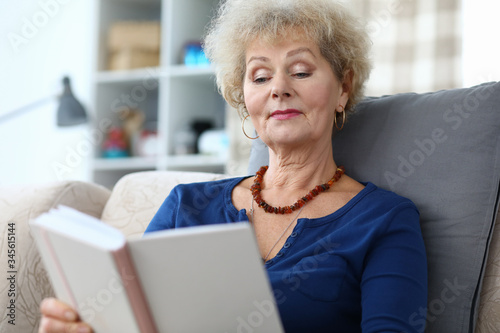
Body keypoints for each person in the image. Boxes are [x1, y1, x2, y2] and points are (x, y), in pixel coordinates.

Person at [39, 0, 428, 332]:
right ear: (244, 98)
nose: (278, 88)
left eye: (301, 71)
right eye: (260, 76)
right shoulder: (184, 206)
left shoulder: (385, 220)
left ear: (343, 87)